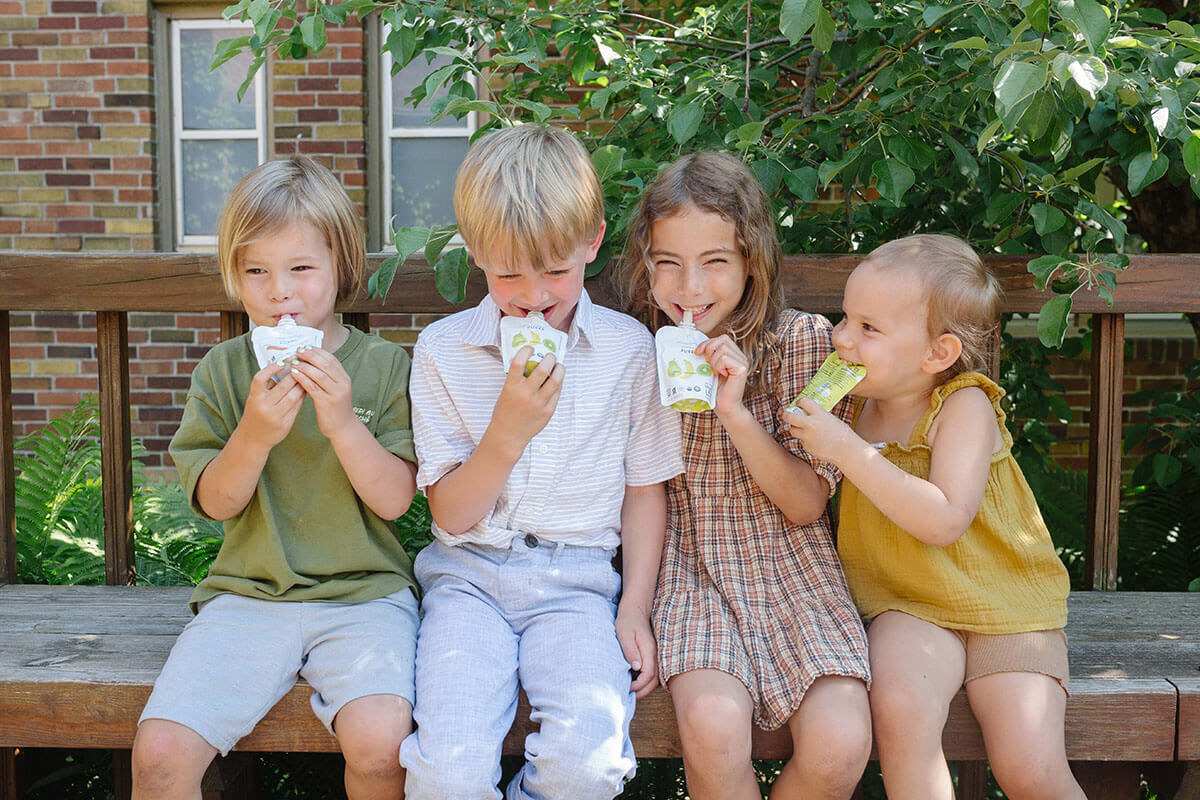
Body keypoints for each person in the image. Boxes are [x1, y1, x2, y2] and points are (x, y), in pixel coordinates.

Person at [399, 124, 683, 800]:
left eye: (556, 269)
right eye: (506, 274)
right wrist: (507, 433)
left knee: (588, 767)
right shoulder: (444, 352)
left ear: (593, 241)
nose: (533, 296)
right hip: (467, 581)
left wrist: (635, 607)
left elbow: (646, 492)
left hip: (579, 585)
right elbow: (452, 513)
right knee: (446, 776)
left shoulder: (628, 351)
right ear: (474, 254)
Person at [131, 156, 420, 800]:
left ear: (340, 267)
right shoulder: (225, 372)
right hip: (249, 595)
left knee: (382, 745)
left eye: (300, 269)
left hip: (365, 596)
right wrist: (256, 433)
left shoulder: (383, 367)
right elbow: (215, 501)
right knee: (159, 755)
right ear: (234, 277)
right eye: (256, 271)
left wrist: (343, 422)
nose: (279, 292)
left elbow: (397, 501)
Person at [785, 234, 1084, 800]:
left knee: (1028, 765)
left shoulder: (963, 406)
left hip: (1007, 605)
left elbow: (945, 518)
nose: (841, 337)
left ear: (937, 355)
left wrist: (847, 450)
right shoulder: (847, 404)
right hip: (909, 602)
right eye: (845, 318)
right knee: (901, 712)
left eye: (868, 329)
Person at [617, 151, 872, 800]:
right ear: (645, 265)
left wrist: (733, 410)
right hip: (692, 570)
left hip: (794, 571)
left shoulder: (801, 345)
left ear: (751, 262)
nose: (689, 286)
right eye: (667, 263)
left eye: (714, 262)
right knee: (711, 726)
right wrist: (637, 608)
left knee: (841, 742)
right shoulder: (638, 356)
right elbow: (643, 495)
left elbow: (806, 504)